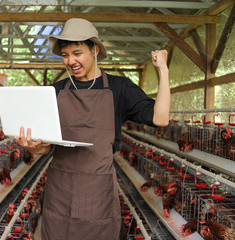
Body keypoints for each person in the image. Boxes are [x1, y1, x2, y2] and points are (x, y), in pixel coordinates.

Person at [15, 18, 170, 240]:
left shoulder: (120, 88)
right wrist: (33, 148)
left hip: (98, 190)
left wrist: (162, 69)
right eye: (65, 55)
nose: (70, 61)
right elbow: (45, 147)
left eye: (77, 53)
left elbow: (161, 117)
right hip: (60, 190)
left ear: (95, 50)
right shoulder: (54, 91)